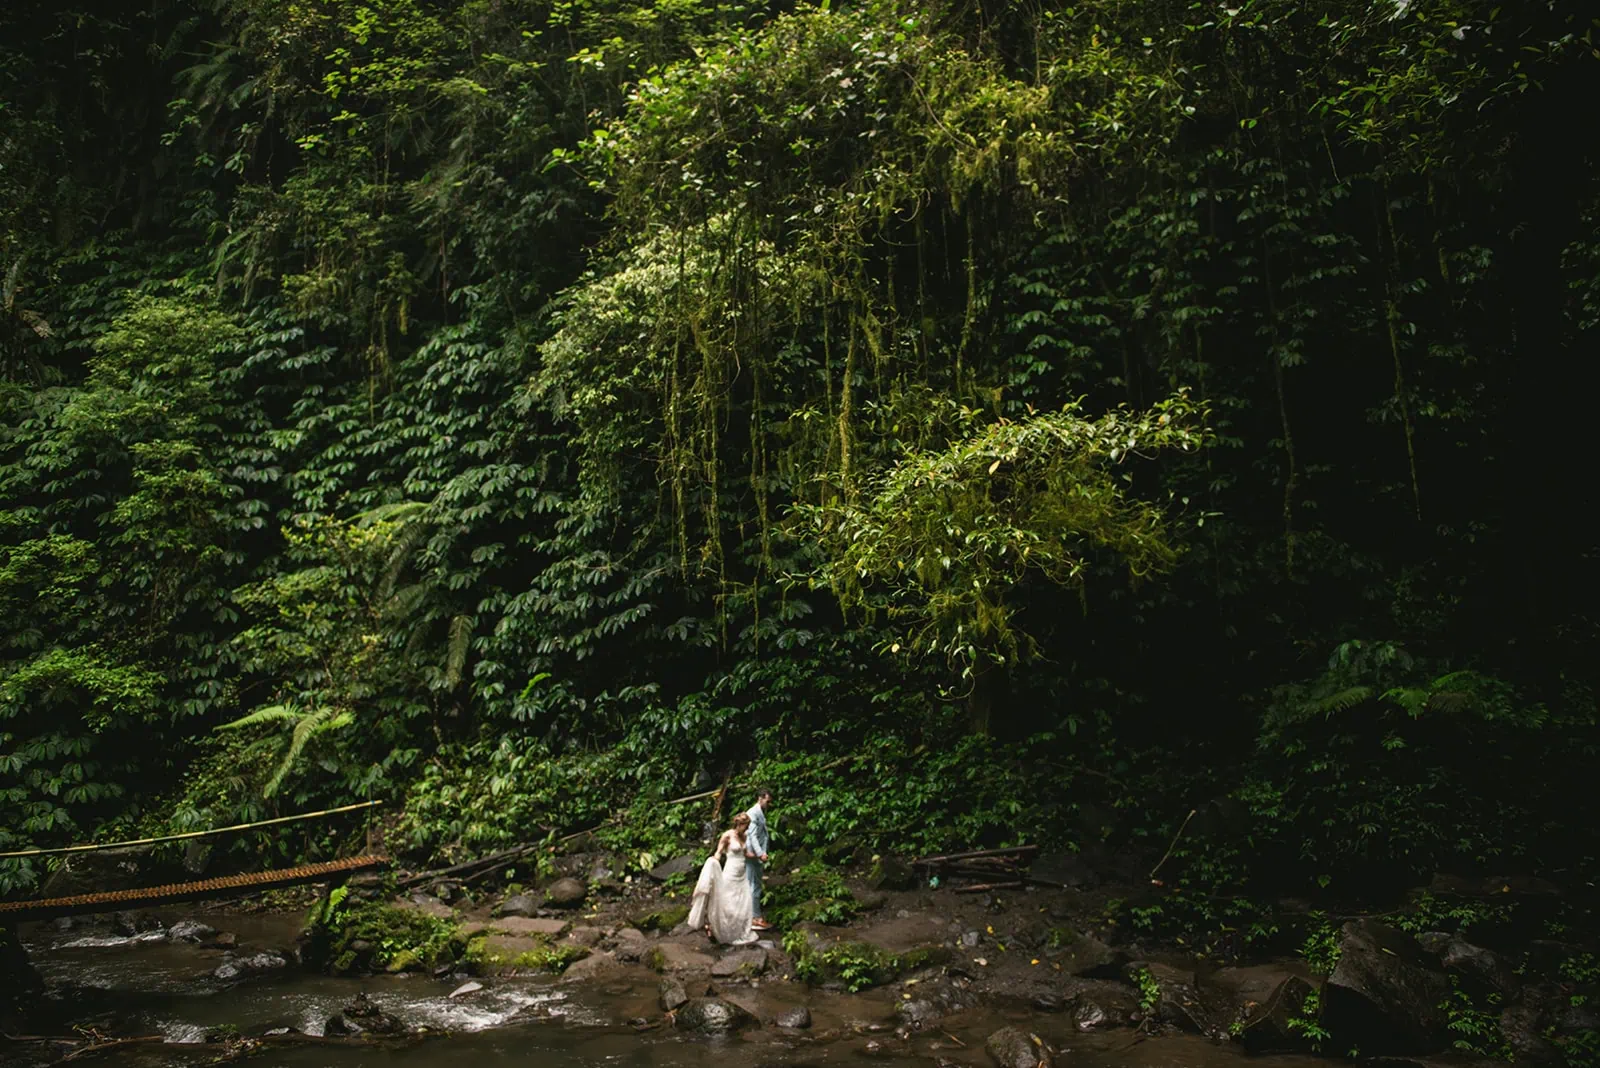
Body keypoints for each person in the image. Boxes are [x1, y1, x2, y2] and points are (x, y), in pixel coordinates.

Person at [685, 813, 758, 945]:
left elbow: (744, 853)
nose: (747, 829)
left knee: (741, 905)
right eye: (745, 826)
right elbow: (719, 852)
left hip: (742, 874)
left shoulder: (745, 836)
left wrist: (758, 855)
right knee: (727, 903)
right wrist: (714, 861)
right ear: (739, 824)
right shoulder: (727, 836)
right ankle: (717, 929)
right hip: (730, 872)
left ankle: (736, 932)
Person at [745, 789, 772, 931]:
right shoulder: (753, 812)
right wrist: (760, 853)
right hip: (753, 854)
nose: (768, 804)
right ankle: (755, 918)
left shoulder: (759, 812)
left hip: (755, 854)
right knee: (754, 885)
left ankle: (753, 916)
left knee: (754, 884)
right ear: (760, 798)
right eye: (767, 801)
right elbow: (752, 836)